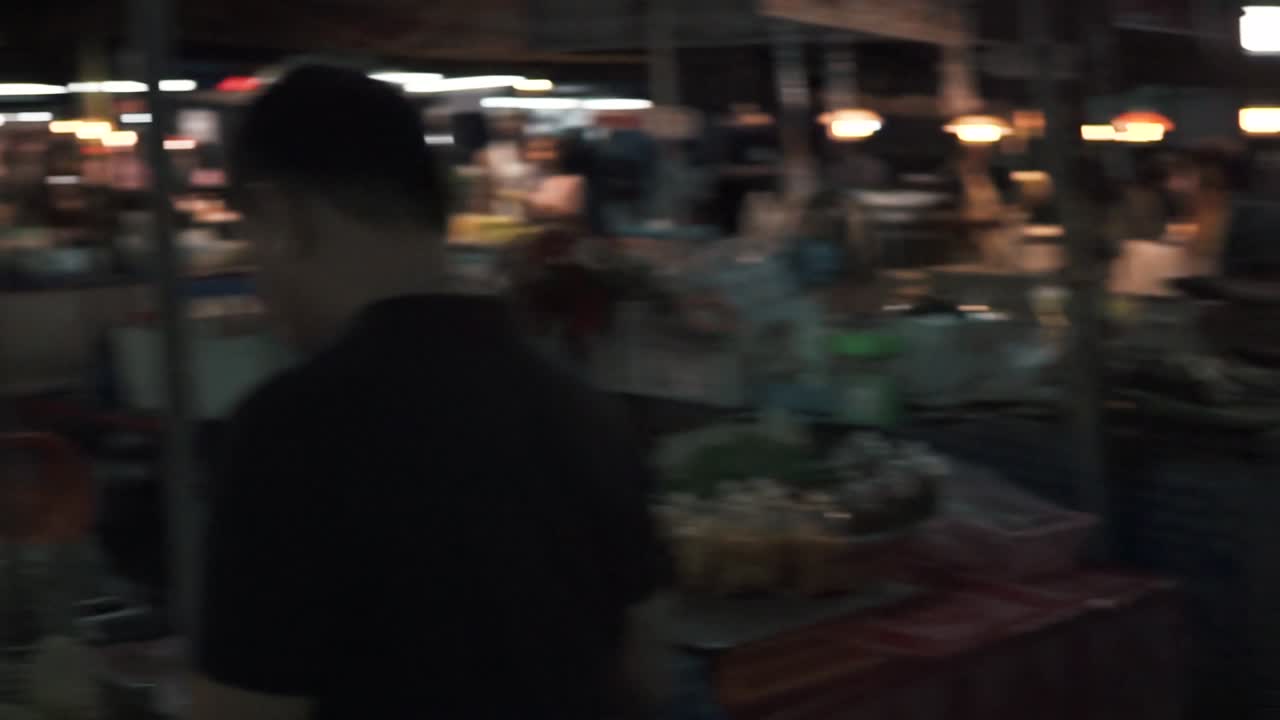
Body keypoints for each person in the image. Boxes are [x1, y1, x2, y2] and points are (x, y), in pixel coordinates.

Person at [192, 65, 671, 720]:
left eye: (248, 242)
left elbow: (243, 712)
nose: (258, 283)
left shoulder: (289, 431)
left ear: (281, 216)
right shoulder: (580, 406)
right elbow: (646, 672)